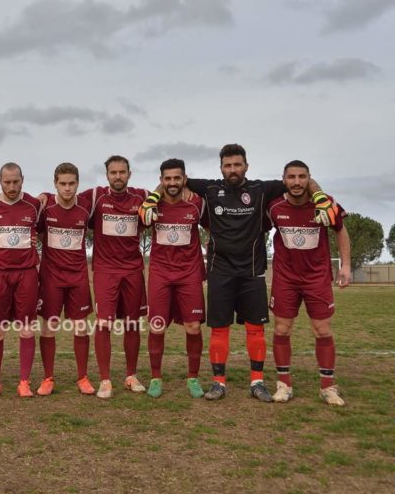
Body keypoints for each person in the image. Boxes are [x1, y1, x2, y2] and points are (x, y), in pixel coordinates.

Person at [142, 144, 335, 402]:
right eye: (228, 165)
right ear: (221, 167)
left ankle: (257, 382)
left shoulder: (260, 189)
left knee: (255, 329)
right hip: (220, 271)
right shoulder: (210, 188)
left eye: (237, 164)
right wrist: (153, 197)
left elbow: (302, 181)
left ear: (246, 166)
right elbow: (171, 182)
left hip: (252, 271)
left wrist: (320, 196)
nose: (232, 169)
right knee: (220, 328)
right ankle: (218, 383)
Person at [267, 160, 350, 406]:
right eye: (291, 177)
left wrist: (345, 265)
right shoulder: (273, 207)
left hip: (317, 278)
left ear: (309, 179)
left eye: (302, 177)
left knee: (322, 330)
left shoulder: (324, 203)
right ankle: (284, 384)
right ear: (283, 179)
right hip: (285, 278)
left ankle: (328, 387)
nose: (296, 182)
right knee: (282, 329)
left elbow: (341, 230)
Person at [88, 155, 150, 399]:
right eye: (113, 172)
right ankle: (105, 380)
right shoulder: (96, 197)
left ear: (129, 174)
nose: (117, 176)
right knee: (103, 324)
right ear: (106, 176)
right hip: (105, 271)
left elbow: (162, 194)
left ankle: (131, 376)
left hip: (133, 270)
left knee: (132, 323)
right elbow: (66, 195)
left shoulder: (141, 197)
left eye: (122, 172)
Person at [144, 159, 206, 399]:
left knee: (192, 327)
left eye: (176, 178)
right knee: (157, 327)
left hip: (188, 273)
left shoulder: (196, 204)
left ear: (184, 179)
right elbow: (138, 221)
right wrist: (153, 196)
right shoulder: (151, 205)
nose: (172, 183)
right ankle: (156, 378)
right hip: (160, 272)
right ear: (161, 180)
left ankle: (192, 377)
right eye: (167, 179)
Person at [0, 162, 42, 398]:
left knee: (26, 331)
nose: (12, 186)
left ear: (22, 179)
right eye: (7, 182)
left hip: (27, 273)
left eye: (16, 181)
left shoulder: (34, 205)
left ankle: (24, 382)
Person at [36, 163, 94, 395]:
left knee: (81, 328)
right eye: (63, 184)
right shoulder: (46, 207)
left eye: (71, 184)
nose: (67, 188)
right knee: (49, 329)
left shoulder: (86, 208)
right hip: (51, 278)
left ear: (78, 184)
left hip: (78, 277)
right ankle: (48, 378)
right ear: (55, 184)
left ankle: (83, 377)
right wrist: (44, 196)